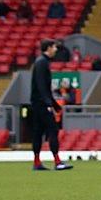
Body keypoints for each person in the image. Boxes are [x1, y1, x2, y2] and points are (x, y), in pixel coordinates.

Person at [29, 40, 71, 172]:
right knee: (53, 130)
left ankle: (37, 162)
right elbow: (42, 86)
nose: (56, 50)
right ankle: (57, 161)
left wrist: (54, 104)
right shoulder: (42, 63)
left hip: (37, 103)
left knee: (38, 133)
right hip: (41, 104)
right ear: (48, 48)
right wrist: (48, 104)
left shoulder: (40, 62)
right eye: (54, 47)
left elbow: (43, 88)